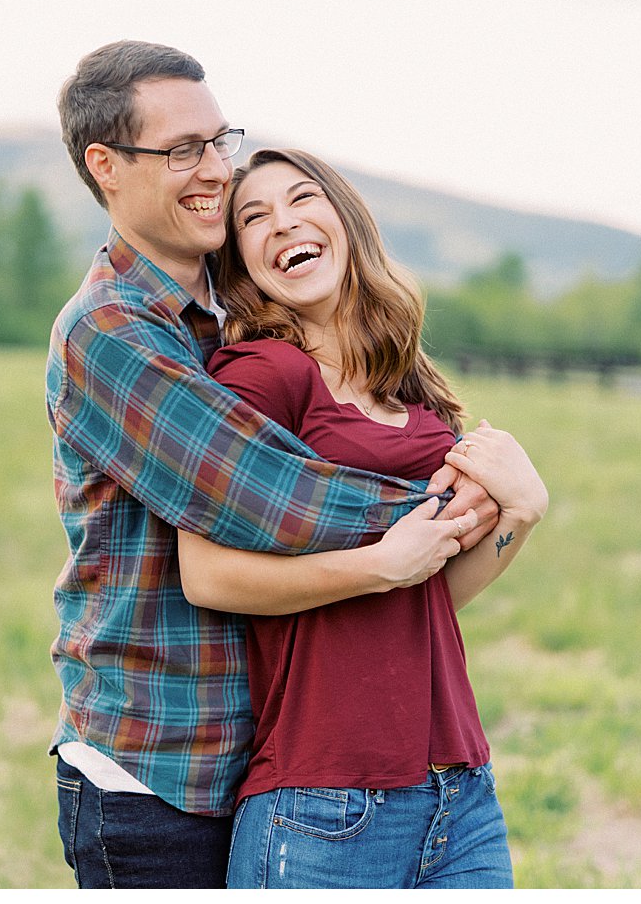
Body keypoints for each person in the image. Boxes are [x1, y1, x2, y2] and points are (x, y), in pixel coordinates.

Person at [46, 41, 501, 888]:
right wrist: (462, 496)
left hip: (262, 758)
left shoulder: (226, 325)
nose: (215, 168)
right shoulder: (112, 332)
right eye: (183, 149)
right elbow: (271, 497)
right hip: (160, 773)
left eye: (219, 140)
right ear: (104, 165)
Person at [175, 148, 549, 889]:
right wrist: (379, 563)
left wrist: (524, 511)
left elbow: (426, 596)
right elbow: (206, 574)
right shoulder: (263, 375)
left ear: (344, 220)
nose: (284, 224)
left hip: (459, 789)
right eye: (254, 217)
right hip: (324, 798)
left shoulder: (418, 400)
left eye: (302, 199)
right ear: (242, 258)